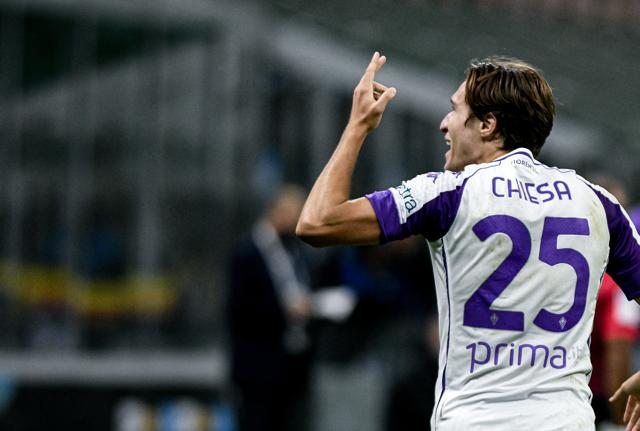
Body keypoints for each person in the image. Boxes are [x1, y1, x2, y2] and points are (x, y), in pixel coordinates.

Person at [296, 52, 640, 430]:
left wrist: (357, 126)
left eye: (455, 110)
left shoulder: (447, 194)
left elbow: (317, 223)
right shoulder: (598, 203)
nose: (444, 124)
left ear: (488, 125)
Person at [228, 185, 315, 431]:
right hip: (257, 365)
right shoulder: (247, 253)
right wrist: (284, 310)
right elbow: (239, 308)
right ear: (276, 212)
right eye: (293, 214)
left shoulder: (294, 249)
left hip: (291, 364)